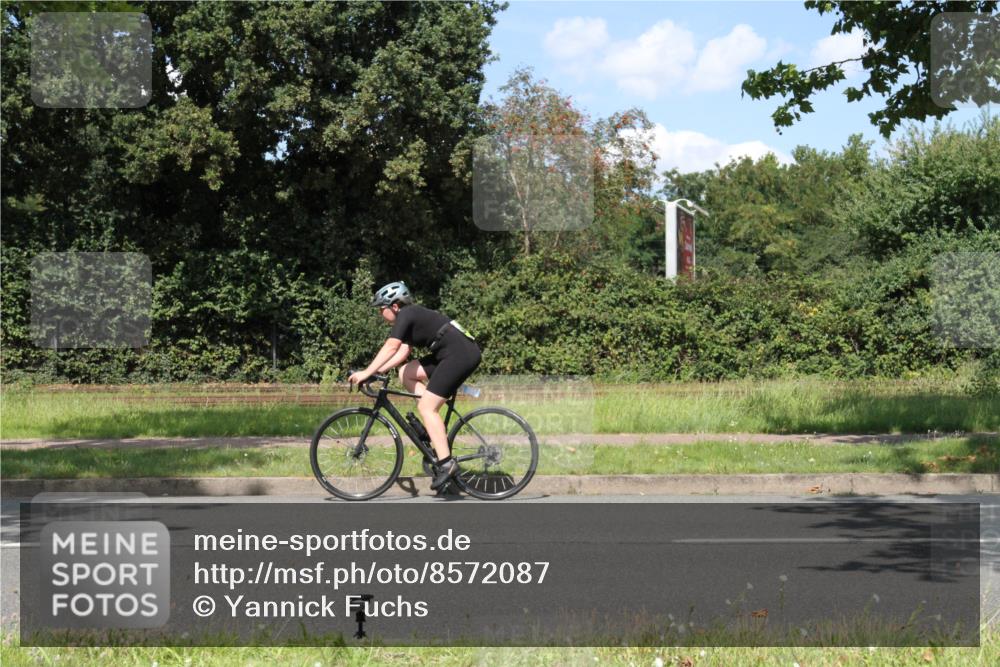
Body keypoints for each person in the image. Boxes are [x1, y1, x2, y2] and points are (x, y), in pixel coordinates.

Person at [348, 281, 481, 490]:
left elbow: (391, 347)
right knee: (406, 373)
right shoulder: (409, 316)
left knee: (427, 407)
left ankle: (447, 464)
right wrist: (377, 372)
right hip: (450, 352)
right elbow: (402, 352)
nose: (380, 314)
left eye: (381, 309)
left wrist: (366, 372)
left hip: (460, 354)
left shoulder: (406, 314)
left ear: (394, 306)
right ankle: (432, 424)